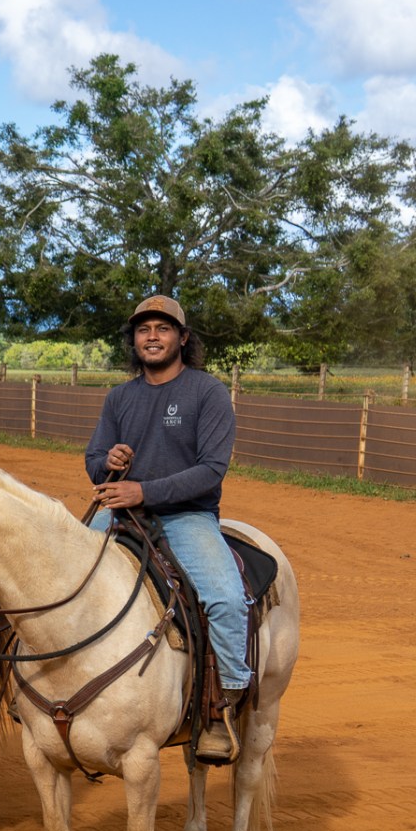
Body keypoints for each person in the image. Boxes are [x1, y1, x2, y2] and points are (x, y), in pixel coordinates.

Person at [85, 294, 249, 762]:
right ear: (133, 341)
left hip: (186, 516)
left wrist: (144, 491)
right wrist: (107, 462)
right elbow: (95, 462)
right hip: (119, 512)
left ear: (182, 338)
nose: (151, 337)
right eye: (143, 330)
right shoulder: (121, 396)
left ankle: (225, 703)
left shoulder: (207, 392)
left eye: (162, 329)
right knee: (65, 572)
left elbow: (211, 469)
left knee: (225, 597)